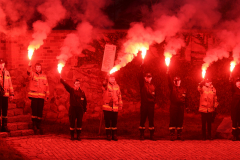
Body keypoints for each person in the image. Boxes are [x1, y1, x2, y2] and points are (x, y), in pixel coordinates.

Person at [27, 62, 49, 134]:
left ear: (41, 68)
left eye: (39, 67)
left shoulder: (44, 76)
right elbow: (29, 73)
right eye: (37, 67)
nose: (38, 69)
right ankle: (34, 125)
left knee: (40, 111)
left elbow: (47, 86)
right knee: (34, 111)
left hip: (41, 97)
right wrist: (29, 66)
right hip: (34, 96)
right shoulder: (32, 74)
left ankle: (39, 124)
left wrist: (47, 95)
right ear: (35, 68)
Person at [102, 73, 123, 141]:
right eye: (111, 78)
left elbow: (119, 96)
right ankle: (108, 134)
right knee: (107, 122)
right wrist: (106, 77)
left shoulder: (117, 86)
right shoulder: (106, 85)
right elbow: (104, 84)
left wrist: (120, 105)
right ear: (109, 79)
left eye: (113, 78)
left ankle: (114, 135)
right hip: (107, 107)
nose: (112, 79)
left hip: (115, 107)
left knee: (114, 122)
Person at [167, 72, 187, 141]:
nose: (177, 82)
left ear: (180, 81)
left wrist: (186, 106)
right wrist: (168, 73)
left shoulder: (183, 89)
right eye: (175, 81)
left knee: (180, 121)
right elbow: (169, 81)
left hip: (181, 107)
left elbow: (186, 98)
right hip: (174, 106)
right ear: (173, 81)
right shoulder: (172, 88)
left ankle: (179, 135)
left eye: (178, 81)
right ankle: (172, 135)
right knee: (173, 120)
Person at [139, 65, 156, 140]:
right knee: (142, 119)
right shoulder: (142, 85)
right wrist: (142, 68)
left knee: (151, 120)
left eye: (149, 77)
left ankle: (151, 135)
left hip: (151, 106)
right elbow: (140, 76)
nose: (148, 78)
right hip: (144, 105)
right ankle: (142, 134)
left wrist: (153, 103)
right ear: (145, 78)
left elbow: (156, 95)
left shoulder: (153, 86)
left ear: (151, 78)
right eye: (146, 77)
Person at [0, 59, 14, 132]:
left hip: (6, 94)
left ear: (4, 64)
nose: (1, 65)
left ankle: (4, 126)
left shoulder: (7, 73)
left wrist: (11, 94)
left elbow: (10, 84)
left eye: (2, 63)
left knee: (5, 111)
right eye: (0, 64)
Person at [229, 77, 240, 141]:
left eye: (239, 81)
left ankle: (238, 135)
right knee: (234, 123)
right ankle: (234, 135)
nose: (238, 83)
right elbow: (231, 87)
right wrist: (230, 81)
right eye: (237, 82)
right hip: (235, 109)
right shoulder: (234, 89)